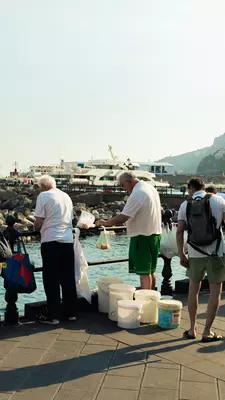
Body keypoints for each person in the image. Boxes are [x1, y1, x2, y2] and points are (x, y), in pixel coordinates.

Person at [177, 177, 225, 341]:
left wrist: (181, 254)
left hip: (194, 252)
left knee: (193, 290)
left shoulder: (185, 204)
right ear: (204, 187)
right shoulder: (219, 200)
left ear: (190, 188)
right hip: (215, 253)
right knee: (215, 292)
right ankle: (207, 332)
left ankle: (192, 329)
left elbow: (179, 232)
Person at [95, 171, 162, 289]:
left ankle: (146, 301)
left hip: (143, 236)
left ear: (128, 181)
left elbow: (123, 217)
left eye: (122, 185)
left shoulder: (138, 193)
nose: (123, 189)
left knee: (144, 274)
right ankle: (152, 298)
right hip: (154, 234)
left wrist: (105, 223)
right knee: (151, 271)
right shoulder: (149, 188)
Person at [34, 175, 77, 325]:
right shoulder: (66, 196)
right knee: (67, 277)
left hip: (50, 239)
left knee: (51, 278)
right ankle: (71, 312)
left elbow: (38, 222)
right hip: (67, 240)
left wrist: (36, 228)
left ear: (43, 187)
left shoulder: (43, 196)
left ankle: (53, 316)